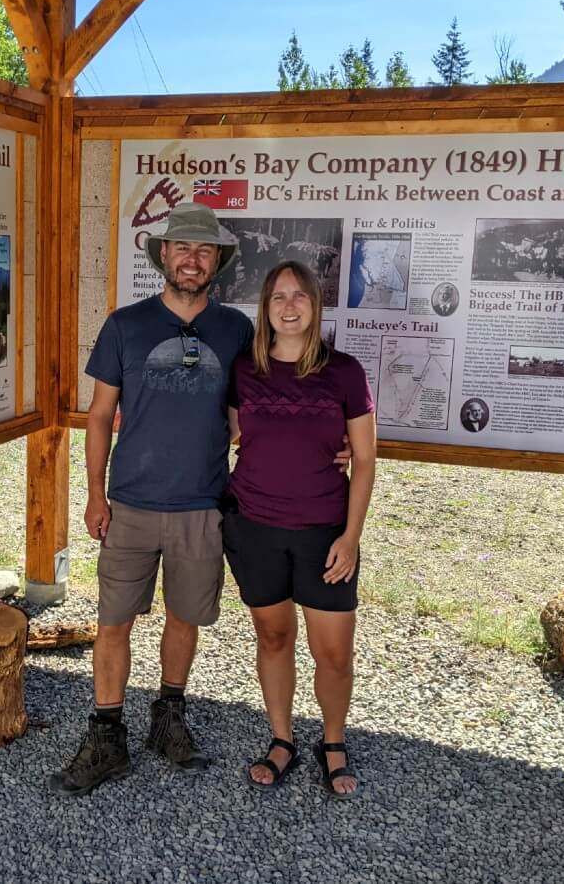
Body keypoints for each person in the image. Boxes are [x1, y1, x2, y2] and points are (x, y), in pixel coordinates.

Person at [47, 202, 254, 796]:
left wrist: (326, 442)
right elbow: (99, 414)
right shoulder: (125, 325)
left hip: (201, 504)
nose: (192, 259)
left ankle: (168, 716)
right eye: (182, 248)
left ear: (217, 262)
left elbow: (250, 414)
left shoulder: (235, 330)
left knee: (184, 616)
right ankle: (107, 734)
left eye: (204, 251)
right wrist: (93, 494)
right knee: (113, 621)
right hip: (132, 502)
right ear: (163, 255)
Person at [224, 261, 376, 797]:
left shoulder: (346, 372)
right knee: (274, 636)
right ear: (265, 308)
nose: (289, 306)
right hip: (255, 527)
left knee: (333, 652)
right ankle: (282, 738)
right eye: (278, 297)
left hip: (323, 532)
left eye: (300, 297)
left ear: (315, 306)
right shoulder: (244, 370)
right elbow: (236, 434)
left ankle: (332, 741)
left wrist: (350, 536)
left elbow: (364, 460)